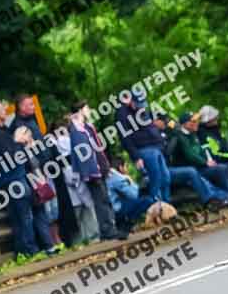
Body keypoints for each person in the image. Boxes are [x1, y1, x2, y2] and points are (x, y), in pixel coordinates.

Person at [0, 100, 54, 257]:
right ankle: (29, 250)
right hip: (12, 180)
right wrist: (18, 142)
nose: (5, 111)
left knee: (20, 216)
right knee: (24, 216)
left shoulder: (1, 131)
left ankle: (24, 250)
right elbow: (9, 157)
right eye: (2, 110)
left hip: (14, 178)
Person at [167, 111, 228, 206]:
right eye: (193, 121)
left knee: (222, 168)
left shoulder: (192, 135)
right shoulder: (180, 136)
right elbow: (190, 155)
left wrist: (209, 160)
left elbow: (200, 150)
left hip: (199, 167)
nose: (197, 123)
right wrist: (205, 162)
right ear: (186, 124)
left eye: (197, 121)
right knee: (219, 169)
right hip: (191, 169)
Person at [10, 94, 58, 242]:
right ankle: (52, 241)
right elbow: (28, 152)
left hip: (44, 167)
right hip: (36, 171)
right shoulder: (19, 126)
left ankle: (54, 239)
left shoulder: (31, 121)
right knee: (45, 206)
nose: (33, 107)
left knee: (51, 206)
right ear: (21, 107)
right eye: (30, 104)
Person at [69, 101, 119, 240]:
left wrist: (105, 166)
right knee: (101, 201)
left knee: (105, 199)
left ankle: (111, 227)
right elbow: (83, 154)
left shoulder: (86, 127)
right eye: (86, 108)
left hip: (99, 169)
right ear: (79, 111)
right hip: (93, 173)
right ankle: (107, 230)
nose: (89, 110)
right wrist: (90, 173)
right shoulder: (77, 131)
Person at [116, 93, 171, 203]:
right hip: (143, 149)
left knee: (166, 178)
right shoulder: (122, 113)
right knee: (156, 179)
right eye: (138, 104)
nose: (141, 107)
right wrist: (136, 157)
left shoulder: (142, 110)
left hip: (156, 148)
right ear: (131, 101)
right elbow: (125, 138)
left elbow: (151, 126)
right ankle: (155, 206)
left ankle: (166, 205)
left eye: (143, 104)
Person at [52, 118, 100, 245]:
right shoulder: (65, 140)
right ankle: (92, 237)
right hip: (74, 173)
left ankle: (79, 240)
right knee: (86, 209)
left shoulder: (56, 142)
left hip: (68, 174)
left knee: (78, 211)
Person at [106, 156, 156, 235]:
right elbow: (134, 195)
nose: (127, 169)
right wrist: (129, 179)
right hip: (116, 210)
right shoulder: (116, 176)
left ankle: (124, 224)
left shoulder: (108, 175)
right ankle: (128, 224)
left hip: (109, 211)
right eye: (126, 166)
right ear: (120, 167)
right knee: (148, 200)